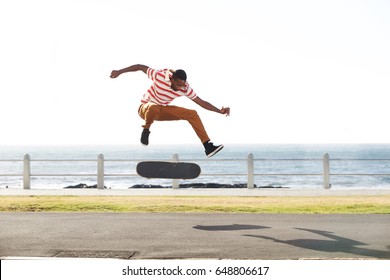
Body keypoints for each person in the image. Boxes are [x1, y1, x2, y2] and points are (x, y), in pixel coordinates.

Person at [110, 64, 230, 158]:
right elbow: (140, 67)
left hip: (162, 110)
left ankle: (207, 146)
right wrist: (119, 72)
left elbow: (201, 102)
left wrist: (220, 111)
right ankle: (146, 130)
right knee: (153, 107)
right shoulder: (160, 75)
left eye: (182, 86)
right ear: (172, 79)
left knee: (192, 113)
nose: (179, 88)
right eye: (178, 85)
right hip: (145, 108)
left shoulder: (185, 88)